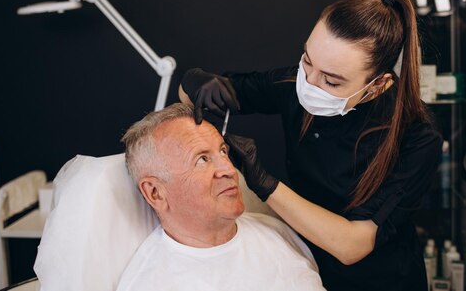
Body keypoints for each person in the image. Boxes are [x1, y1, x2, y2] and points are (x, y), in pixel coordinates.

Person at [179, 0, 443, 291]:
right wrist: (195, 80)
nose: (309, 84)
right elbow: (197, 95)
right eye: (307, 60)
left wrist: (263, 182)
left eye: (331, 81)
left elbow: (352, 245)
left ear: (377, 83)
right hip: (306, 269)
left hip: (381, 280)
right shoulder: (297, 82)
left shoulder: (417, 137)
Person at [117, 102, 326, 291]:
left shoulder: (276, 231)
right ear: (156, 193)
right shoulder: (151, 283)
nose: (229, 169)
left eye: (223, 152)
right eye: (201, 160)